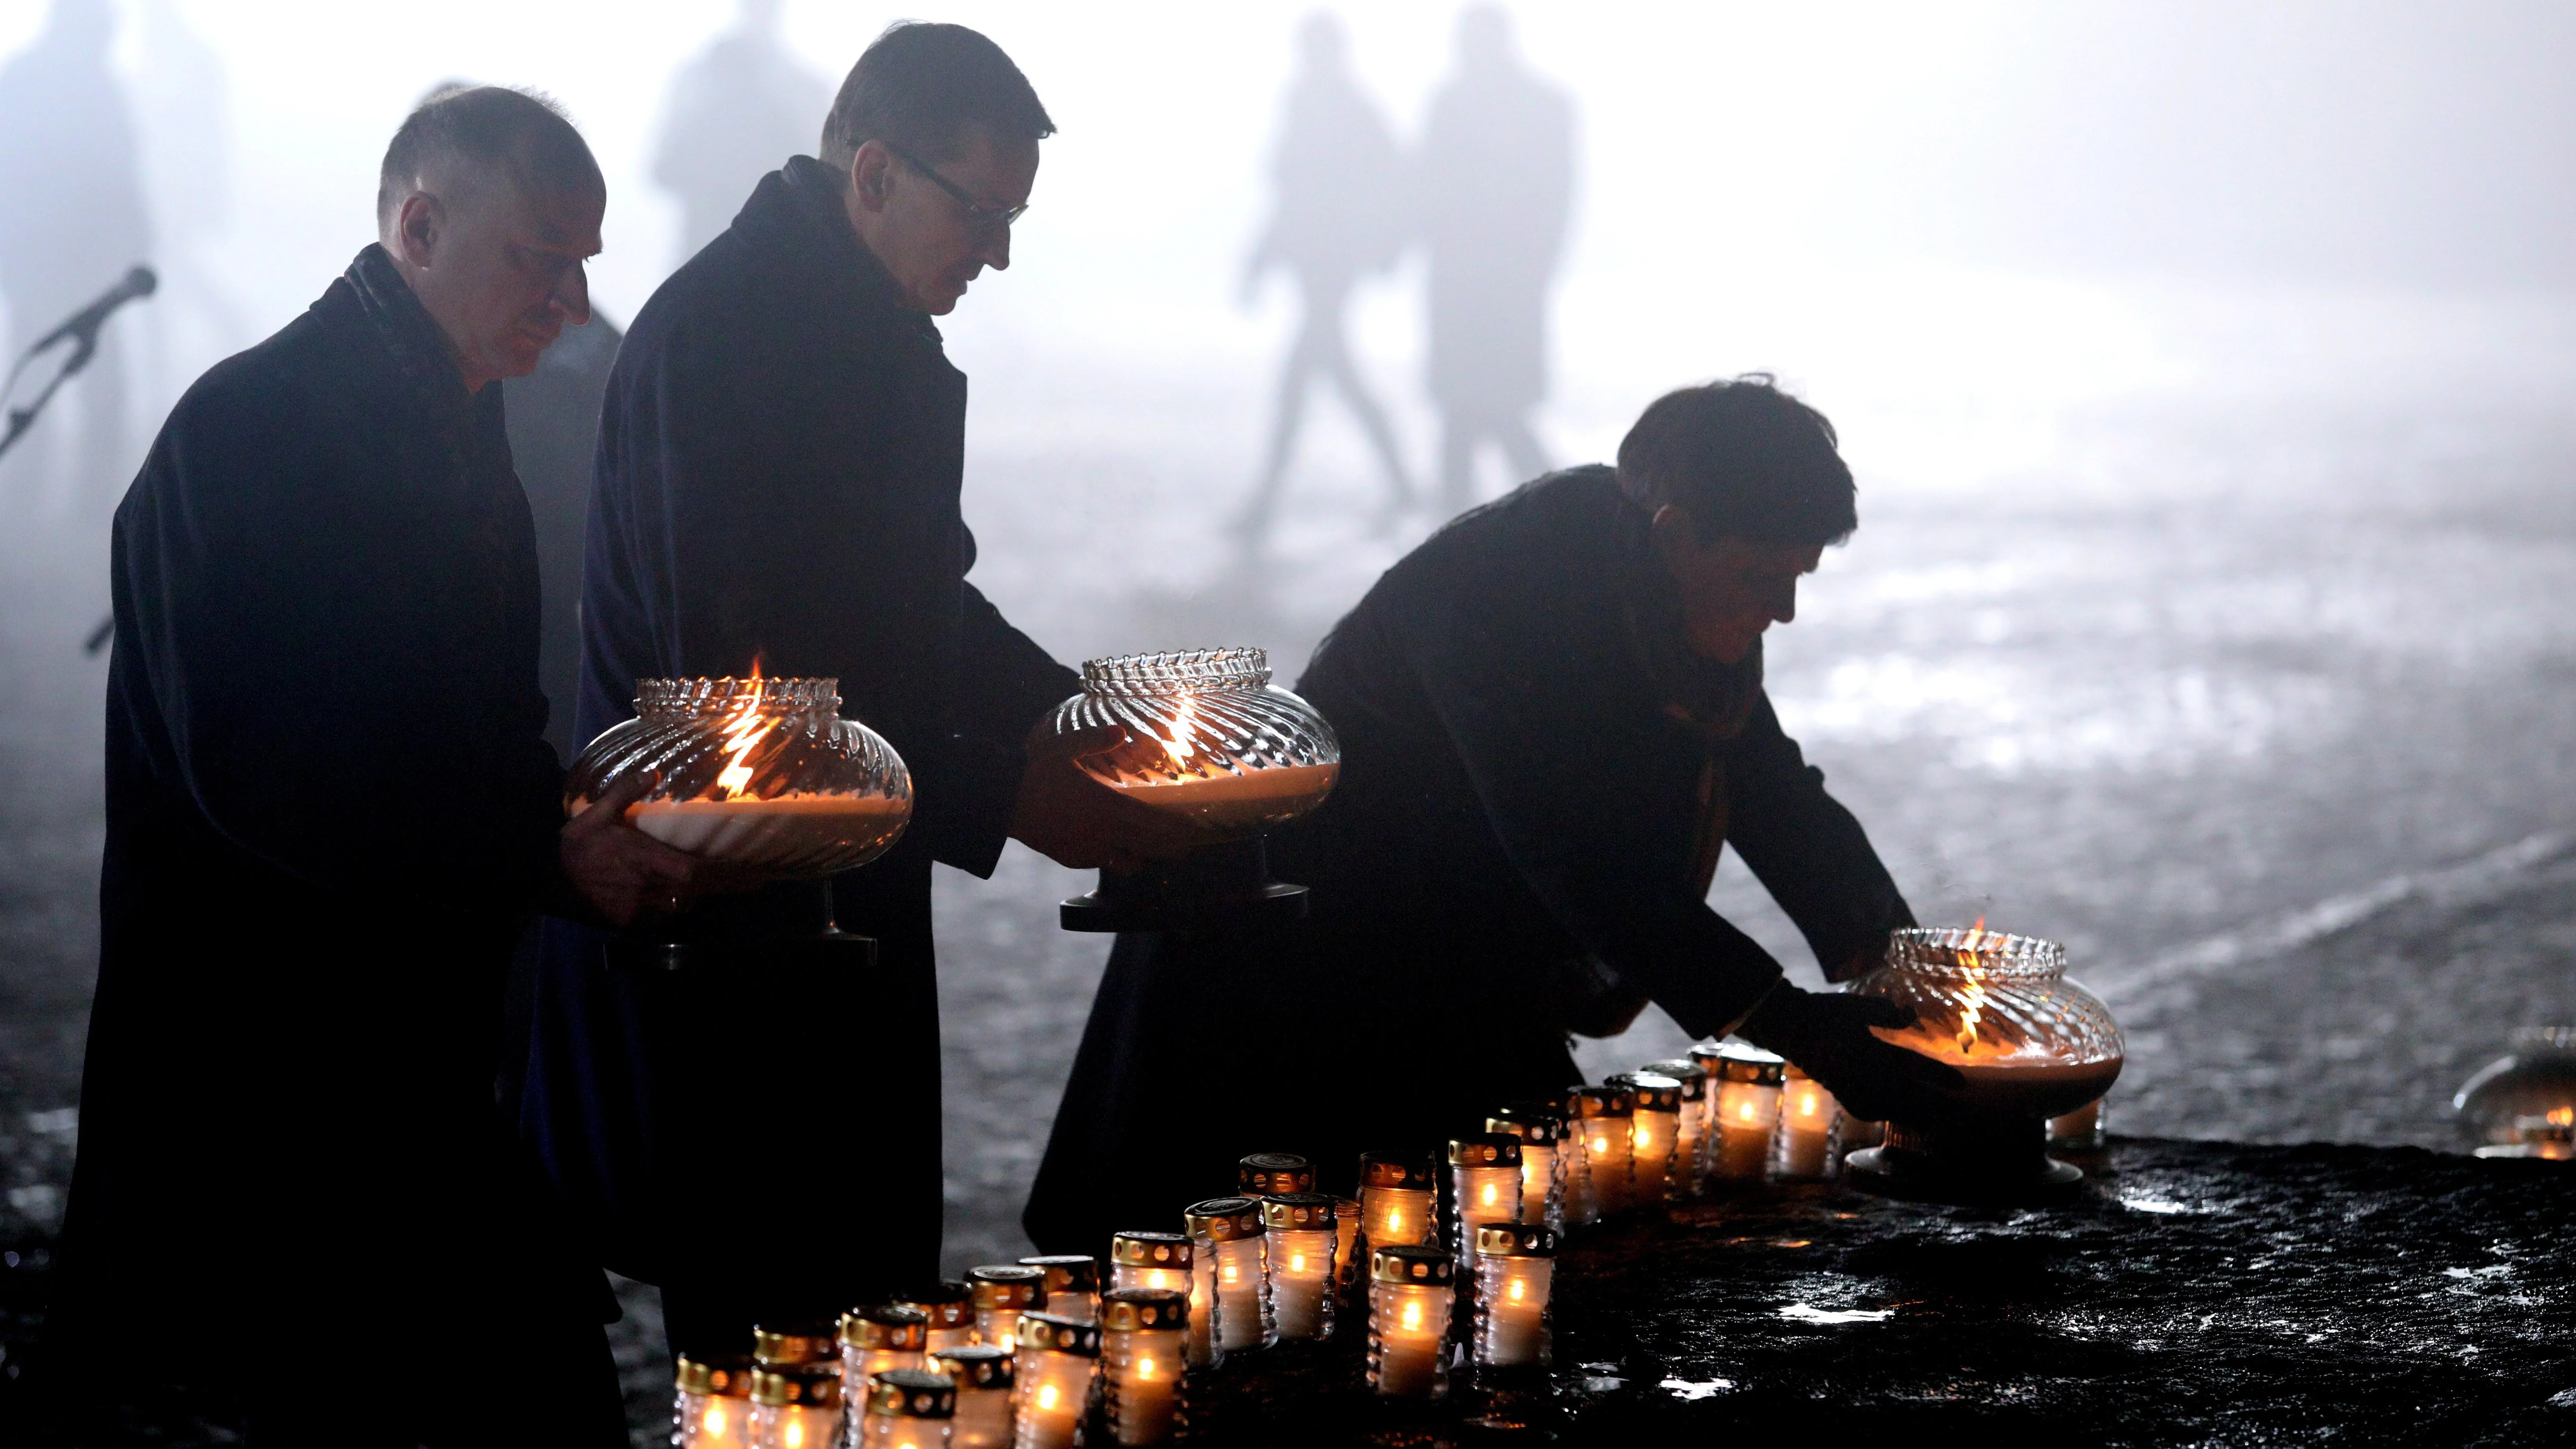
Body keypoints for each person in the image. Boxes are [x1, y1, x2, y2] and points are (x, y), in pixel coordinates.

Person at [523, 21, 1192, 1359]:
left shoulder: (865, 329)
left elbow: (922, 602)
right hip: (730, 920)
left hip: (848, 890)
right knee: (771, 1339)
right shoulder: (726, 340)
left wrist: (1074, 719)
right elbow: (741, 690)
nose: (996, 254)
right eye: (982, 211)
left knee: (869, 1303)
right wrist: (1003, 791)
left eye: (1015, 220)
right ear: (874, 172)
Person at [46, 86, 694, 1445]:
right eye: (539, 257)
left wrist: (583, 811)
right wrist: (542, 846)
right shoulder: (253, 435)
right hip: (273, 1093)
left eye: (586, 262)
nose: (571, 301)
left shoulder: (465, 428)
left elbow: (473, 730)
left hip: (410, 1076)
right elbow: (273, 774)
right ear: (419, 224)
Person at [1026, 377, 1963, 1252]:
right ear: (1677, 533)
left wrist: (1898, 967)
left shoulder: (1666, 593)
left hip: (1450, 965)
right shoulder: (1508, 588)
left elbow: (1770, 790)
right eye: (1765, 578)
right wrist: (1791, 1024)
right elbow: (1568, 849)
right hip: (1302, 975)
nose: (1784, 611)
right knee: (1286, 1273)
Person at [1233, 11, 1413, 542]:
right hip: (1318, 263)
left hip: (1331, 265)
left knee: (1302, 376)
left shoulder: (1349, 111)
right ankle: (1402, 483)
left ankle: (1266, 500)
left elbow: (1393, 185)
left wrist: (1380, 249)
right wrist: (1262, 256)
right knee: (1334, 373)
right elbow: (1290, 193)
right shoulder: (1312, 105)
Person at [0, 0, 151, 522]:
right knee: (61, 383)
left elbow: (123, 175)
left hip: (77, 271)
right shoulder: (49, 83)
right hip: (64, 268)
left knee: (88, 387)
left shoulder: (45, 80)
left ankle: (74, 509)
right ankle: (52, 508)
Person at [1418, 4, 1573, 512]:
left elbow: (1555, 201)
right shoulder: (1538, 106)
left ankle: (1557, 515)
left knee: (1484, 414)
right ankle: (1559, 516)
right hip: (1478, 288)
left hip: (1493, 289)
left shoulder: (1534, 108)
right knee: (1475, 415)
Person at [651, 0, 835, 267]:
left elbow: (818, 176)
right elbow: (663, 167)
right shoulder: (700, 79)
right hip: (709, 252)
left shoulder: (803, 88)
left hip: (769, 257)